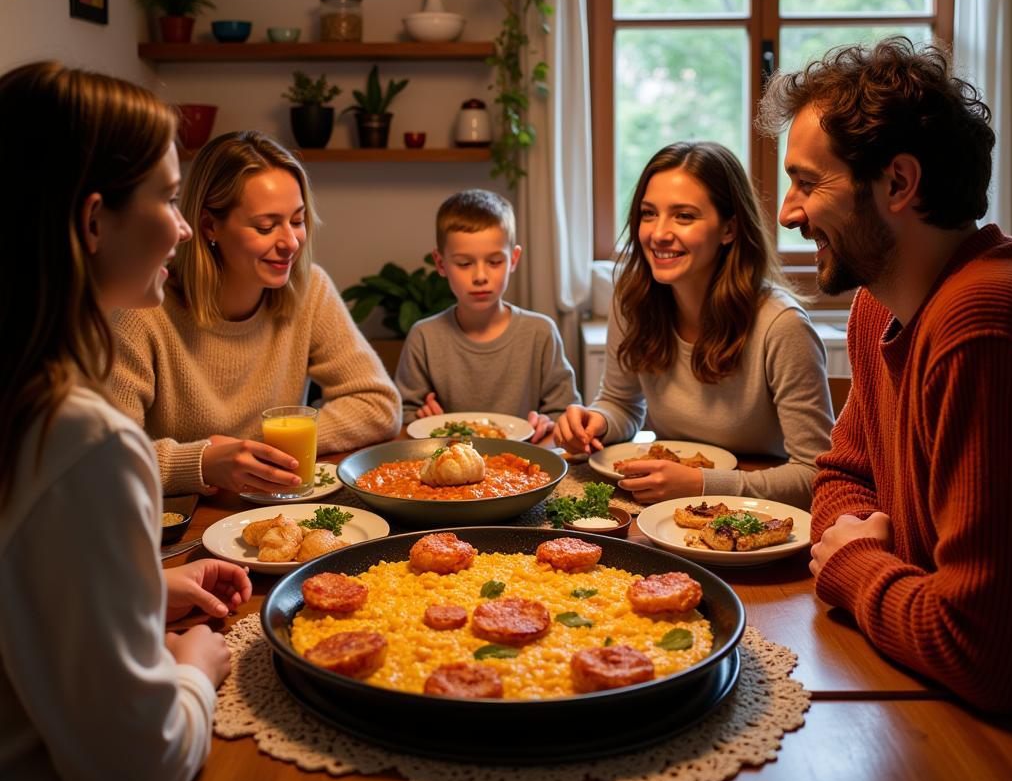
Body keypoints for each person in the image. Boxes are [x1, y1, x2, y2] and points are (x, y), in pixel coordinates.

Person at [0, 61, 252, 781]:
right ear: (91, 221)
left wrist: (139, 586)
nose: (181, 227)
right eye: (169, 198)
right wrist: (195, 669)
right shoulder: (86, 442)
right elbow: (142, 762)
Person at [758, 36, 1012, 712]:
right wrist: (877, 555)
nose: (788, 212)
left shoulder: (982, 322)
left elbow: (981, 650)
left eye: (808, 182)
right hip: (918, 684)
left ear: (899, 183)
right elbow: (844, 476)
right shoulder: (877, 307)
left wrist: (854, 565)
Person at [110, 130, 401, 497]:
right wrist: (202, 463)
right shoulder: (143, 310)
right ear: (209, 226)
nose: (290, 243)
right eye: (266, 226)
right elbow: (105, 461)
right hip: (185, 520)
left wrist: (258, 448)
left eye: (297, 221)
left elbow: (380, 406)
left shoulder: (309, 287)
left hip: (279, 505)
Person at [554, 141, 833, 510]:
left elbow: (815, 477)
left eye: (684, 216)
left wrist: (703, 484)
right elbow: (622, 403)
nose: (659, 233)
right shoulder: (632, 300)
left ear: (729, 229)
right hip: (663, 509)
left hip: (759, 517)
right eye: (649, 213)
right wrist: (597, 422)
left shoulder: (782, 326)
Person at [395, 189, 580, 442]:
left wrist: (549, 422)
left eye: (494, 262)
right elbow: (402, 414)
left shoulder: (540, 332)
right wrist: (420, 415)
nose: (480, 276)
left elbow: (564, 412)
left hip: (521, 466)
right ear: (440, 264)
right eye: (464, 263)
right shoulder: (424, 336)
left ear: (513, 259)